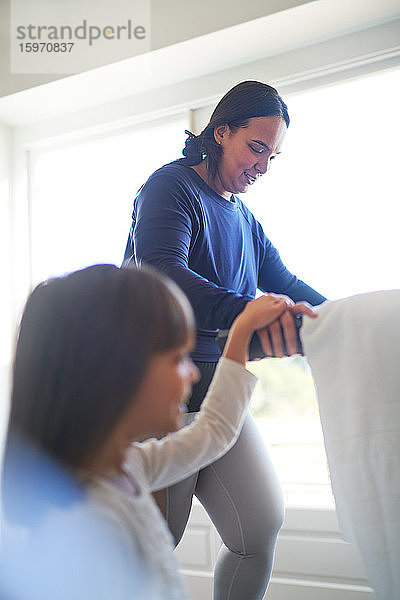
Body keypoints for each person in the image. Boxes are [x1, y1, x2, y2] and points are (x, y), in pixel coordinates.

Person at [1, 264, 316, 600]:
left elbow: (213, 431)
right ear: (116, 371)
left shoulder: (131, 466)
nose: (193, 374)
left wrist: (240, 334)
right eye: (179, 357)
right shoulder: (82, 533)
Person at [123, 80, 327, 599]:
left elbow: (287, 283)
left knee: (257, 529)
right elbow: (164, 274)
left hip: (220, 386)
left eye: (272, 156)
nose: (262, 165)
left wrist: (343, 316)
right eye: (256, 148)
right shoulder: (170, 188)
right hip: (160, 391)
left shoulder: (243, 218)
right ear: (221, 133)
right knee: (156, 540)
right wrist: (248, 317)